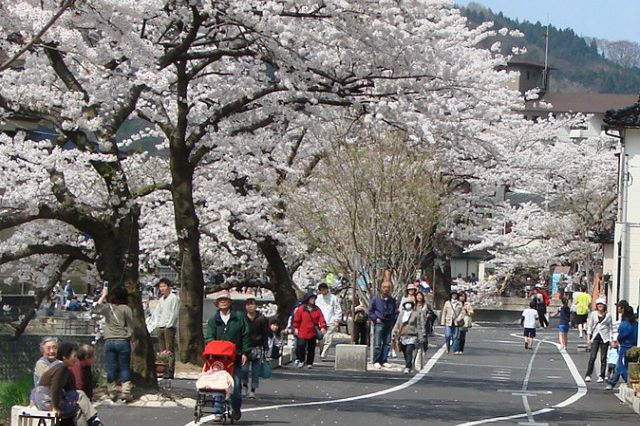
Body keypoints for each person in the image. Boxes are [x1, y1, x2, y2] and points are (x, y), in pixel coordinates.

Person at [31, 342, 104, 426]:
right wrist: (55, 408)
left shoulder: (64, 368)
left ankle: (93, 420)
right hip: (47, 401)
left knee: (78, 401)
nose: (76, 359)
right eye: (74, 357)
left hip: (49, 399)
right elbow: (55, 387)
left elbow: (70, 389)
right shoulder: (60, 367)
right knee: (79, 398)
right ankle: (94, 419)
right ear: (64, 357)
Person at [204, 290, 250, 422]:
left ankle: (235, 408)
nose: (223, 302)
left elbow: (245, 335)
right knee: (218, 385)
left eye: (225, 300)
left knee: (235, 386)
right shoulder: (213, 320)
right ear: (217, 303)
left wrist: (246, 352)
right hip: (218, 358)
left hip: (235, 357)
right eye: (220, 300)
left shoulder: (239, 317)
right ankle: (218, 411)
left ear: (230, 303)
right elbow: (209, 337)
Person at [92, 285, 134, 402]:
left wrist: (103, 295)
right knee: (125, 367)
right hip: (122, 340)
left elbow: (94, 309)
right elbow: (131, 326)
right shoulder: (126, 309)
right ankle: (126, 392)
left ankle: (112, 391)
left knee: (111, 367)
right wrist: (129, 337)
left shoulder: (107, 308)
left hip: (109, 341)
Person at [242, 298, 269, 398]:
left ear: (256, 306)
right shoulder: (242, 318)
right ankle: (244, 386)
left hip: (257, 347)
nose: (250, 307)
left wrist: (265, 346)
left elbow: (266, 333)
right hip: (245, 347)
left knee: (255, 370)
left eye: (252, 304)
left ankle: (253, 389)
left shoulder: (261, 319)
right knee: (244, 369)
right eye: (248, 305)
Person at [606, 304, 638, 389]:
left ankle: (627, 380)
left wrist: (617, 341)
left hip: (625, 346)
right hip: (634, 346)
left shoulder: (624, 324)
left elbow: (621, 335)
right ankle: (612, 382)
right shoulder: (636, 324)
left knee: (622, 365)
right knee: (623, 365)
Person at [292, 292, 327, 369]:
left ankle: (309, 363)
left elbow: (321, 319)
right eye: (311, 298)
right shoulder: (301, 309)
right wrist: (296, 328)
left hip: (312, 331)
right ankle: (301, 360)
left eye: (314, 298)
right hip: (302, 331)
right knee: (301, 346)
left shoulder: (317, 309)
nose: (313, 300)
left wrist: (323, 327)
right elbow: (296, 320)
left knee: (311, 348)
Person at [154, 278, 180, 379]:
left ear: (169, 287)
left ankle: (170, 370)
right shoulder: (161, 299)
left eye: (164, 286)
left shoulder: (174, 298)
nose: (162, 289)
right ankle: (162, 369)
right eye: (160, 287)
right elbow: (159, 313)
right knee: (162, 350)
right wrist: (158, 324)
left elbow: (174, 313)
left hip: (169, 327)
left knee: (169, 349)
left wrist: (169, 324)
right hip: (160, 326)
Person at [368, 281, 397, 369]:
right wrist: (375, 318)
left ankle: (384, 360)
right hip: (379, 322)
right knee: (377, 343)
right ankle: (376, 360)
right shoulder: (375, 299)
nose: (386, 289)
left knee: (387, 343)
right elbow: (370, 311)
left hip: (388, 323)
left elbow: (395, 311)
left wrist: (393, 320)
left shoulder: (392, 300)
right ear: (381, 288)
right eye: (384, 287)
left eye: (388, 287)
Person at [393, 299, 425, 374]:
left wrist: (421, 335)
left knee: (409, 350)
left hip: (412, 336)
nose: (408, 305)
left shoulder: (415, 314)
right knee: (404, 351)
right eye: (406, 303)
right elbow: (397, 323)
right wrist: (394, 332)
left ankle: (407, 366)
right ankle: (409, 363)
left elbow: (419, 325)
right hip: (402, 335)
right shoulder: (402, 314)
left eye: (410, 303)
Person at [584, 298, 613, 383]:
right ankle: (588, 375)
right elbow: (590, 326)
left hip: (605, 338)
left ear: (604, 306)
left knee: (603, 358)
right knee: (592, 357)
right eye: (598, 304)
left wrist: (611, 339)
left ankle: (602, 375)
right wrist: (588, 338)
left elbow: (610, 328)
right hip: (595, 337)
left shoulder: (608, 315)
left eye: (602, 304)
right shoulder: (593, 314)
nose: (600, 306)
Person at [315, 283, 343, 360]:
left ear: (327, 289)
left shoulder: (333, 298)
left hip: (331, 321)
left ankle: (324, 354)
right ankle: (322, 351)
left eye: (324, 290)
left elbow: (337, 309)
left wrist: (337, 319)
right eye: (321, 290)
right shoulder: (318, 298)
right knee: (321, 338)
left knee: (328, 338)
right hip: (320, 321)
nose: (322, 291)